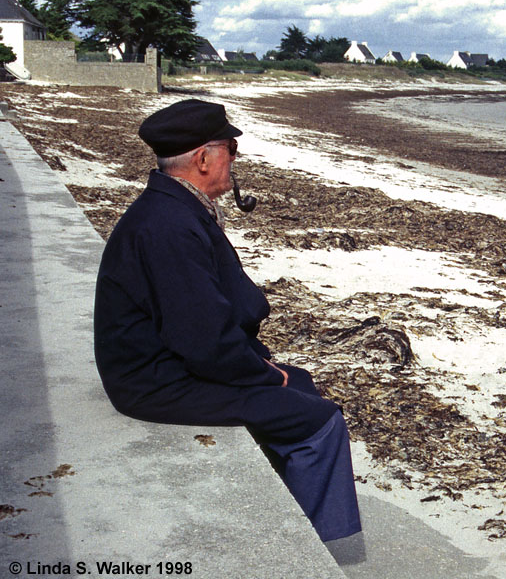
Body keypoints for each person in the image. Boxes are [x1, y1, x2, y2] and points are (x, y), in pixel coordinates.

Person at [93, 99, 361, 543]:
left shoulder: (172, 206)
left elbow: (204, 320)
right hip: (156, 382)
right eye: (230, 149)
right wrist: (261, 374)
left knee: (302, 385)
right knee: (320, 422)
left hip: (169, 365)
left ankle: (292, 514)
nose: (235, 158)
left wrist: (265, 370)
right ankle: (315, 550)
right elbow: (203, 339)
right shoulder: (168, 226)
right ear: (203, 158)